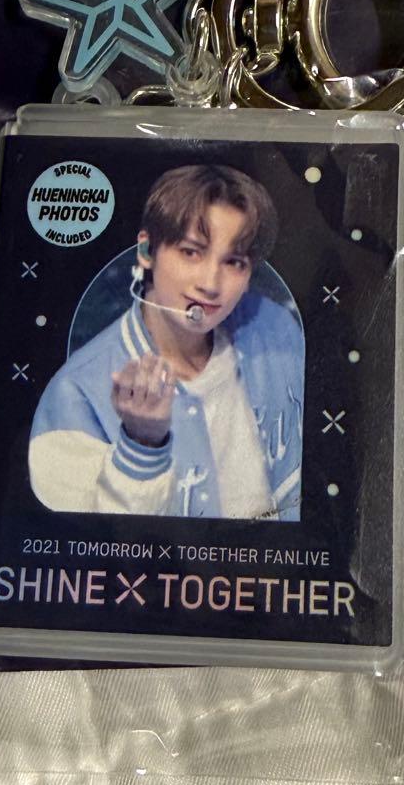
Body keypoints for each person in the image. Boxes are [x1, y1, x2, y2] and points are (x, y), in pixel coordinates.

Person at [29, 163, 305, 520]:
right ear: (147, 250)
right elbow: (89, 544)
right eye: (191, 252)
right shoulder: (75, 395)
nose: (210, 283)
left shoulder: (277, 329)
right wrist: (141, 446)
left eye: (234, 262)